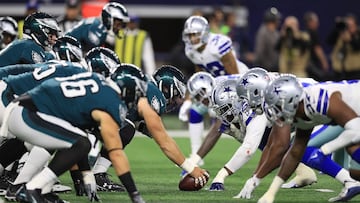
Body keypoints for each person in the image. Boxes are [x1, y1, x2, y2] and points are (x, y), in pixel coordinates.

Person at [235, 69, 360, 202]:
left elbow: (355, 130)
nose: (277, 115)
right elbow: (295, 153)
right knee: (355, 172)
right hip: (352, 120)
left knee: (350, 147)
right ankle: (351, 182)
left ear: (290, 101)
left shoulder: (318, 100)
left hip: (354, 118)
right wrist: (270, 192)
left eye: (278, 107)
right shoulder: (300, 112)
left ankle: (350, 182)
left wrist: (325, 151)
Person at [179, 15, 248, 165]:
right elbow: (200, 75)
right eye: (189, 35)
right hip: (216, 86)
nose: (192, 39)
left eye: (195, 34)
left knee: (245, 132)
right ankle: (196, 156)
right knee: (195, 111)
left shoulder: (218, 45)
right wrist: (188, 99)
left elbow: (234, 75)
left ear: (204, 33)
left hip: (239, 84)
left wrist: (219, 100)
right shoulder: (191, 50)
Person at [328, 14, 360, 80]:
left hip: (355, 72)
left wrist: (350, 40)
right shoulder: (340, 35)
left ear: (356, 26)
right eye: (347, 26)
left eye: (351, 26)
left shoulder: (358, 35)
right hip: (339, 71)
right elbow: (329, 41)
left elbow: (357, 47)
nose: (348, 28)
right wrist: (337, 27)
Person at [303, 11, 330, 81]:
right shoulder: (313, 34)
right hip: (313, 66)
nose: (317, 23)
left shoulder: (304, 34)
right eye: (315, 21)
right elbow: (317, 49)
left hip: (308, 66)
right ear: (310, 22)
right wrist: (324, 62)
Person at [253, 7, 281, 72]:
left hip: (273, 68)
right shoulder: (263, 32)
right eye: (277, 19)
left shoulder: (275, 32)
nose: (278, 21)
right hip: (265, 69)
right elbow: (259, 52)